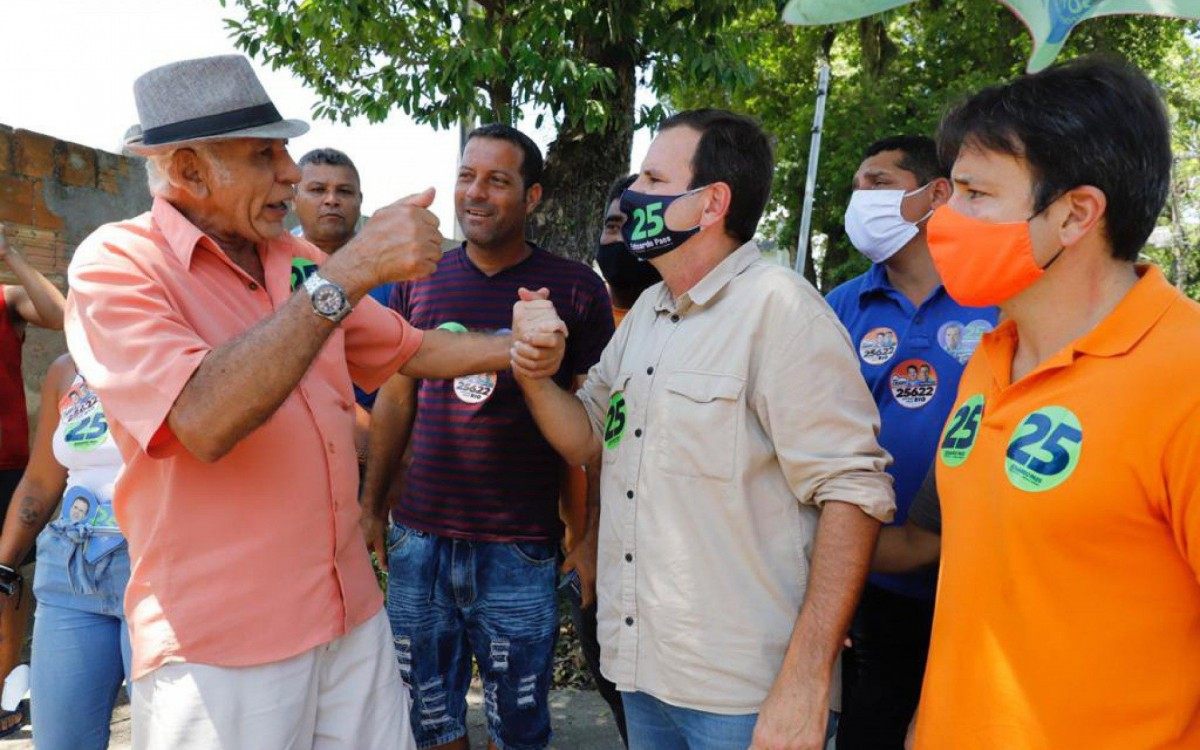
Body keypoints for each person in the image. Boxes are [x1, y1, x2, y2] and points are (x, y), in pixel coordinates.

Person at [63, 55, 557, 750]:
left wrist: (517, 346)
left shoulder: (290, 257)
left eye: (285, 149)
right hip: (225, 647)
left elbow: (409, 348)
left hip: (348, 618)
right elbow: (200, 420)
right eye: (265, 154)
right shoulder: (118, 264)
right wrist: (349, 273)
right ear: (188, 170)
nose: (290, 173)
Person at [509, 108, 895, 750]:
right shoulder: (648, 315)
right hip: (645, 672)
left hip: (745, 694)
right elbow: (587, 437)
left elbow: (854, 494)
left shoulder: (781, 311)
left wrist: (807, 676)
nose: (633, 197)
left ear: (711, 202)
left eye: (654, 181)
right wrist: (533, 372)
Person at [914, 56, 1200, 748]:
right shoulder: (989, 357)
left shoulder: (1186, 373)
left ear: (1076, 214)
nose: (942, 220)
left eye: (976, 196)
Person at [361, 124, 614, 750]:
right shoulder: (419, 278)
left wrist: (590, 537)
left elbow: (597, 428)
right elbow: (396, 394)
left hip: (519, 548)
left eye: (498, 180)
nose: (476, 193)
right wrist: (371, 507)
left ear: (532, 198)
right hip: (420, 541)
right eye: (467, 177)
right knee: (428, 720)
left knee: (519, 729)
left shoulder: (575, 289)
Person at [825, 135, 998, 750]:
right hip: (870, 578)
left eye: (877, 183)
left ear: (936, 194)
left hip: (979, 583)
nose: (860, 199)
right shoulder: (836, 308)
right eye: (855, 187)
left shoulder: (998, 301)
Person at [560, 172, 662, 748]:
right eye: (611, 225)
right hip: (586, 556)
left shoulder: (673, 321)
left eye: (632, 224)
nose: (618, 238)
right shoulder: (583, 315)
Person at [0, 353, 128, 750]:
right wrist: (3, 566)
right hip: (70, 566)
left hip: (154, 562)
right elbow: (39, 482)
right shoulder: (66, 369)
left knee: (170, 734)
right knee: (61, 740)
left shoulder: (187, 349)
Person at [0, 222, 66, 736]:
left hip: (6, 468)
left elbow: (64, 316)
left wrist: (12, 253)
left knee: (5, 586)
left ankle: (4, 696)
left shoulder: (7, 301)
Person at [293, 147, 385, 464]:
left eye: (344, 191)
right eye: (317, 189)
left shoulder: (393, 270)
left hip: (379, 446)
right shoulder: (265, 266)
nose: (331, 200)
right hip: (294, 444)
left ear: (360, 201)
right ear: (294, 198)